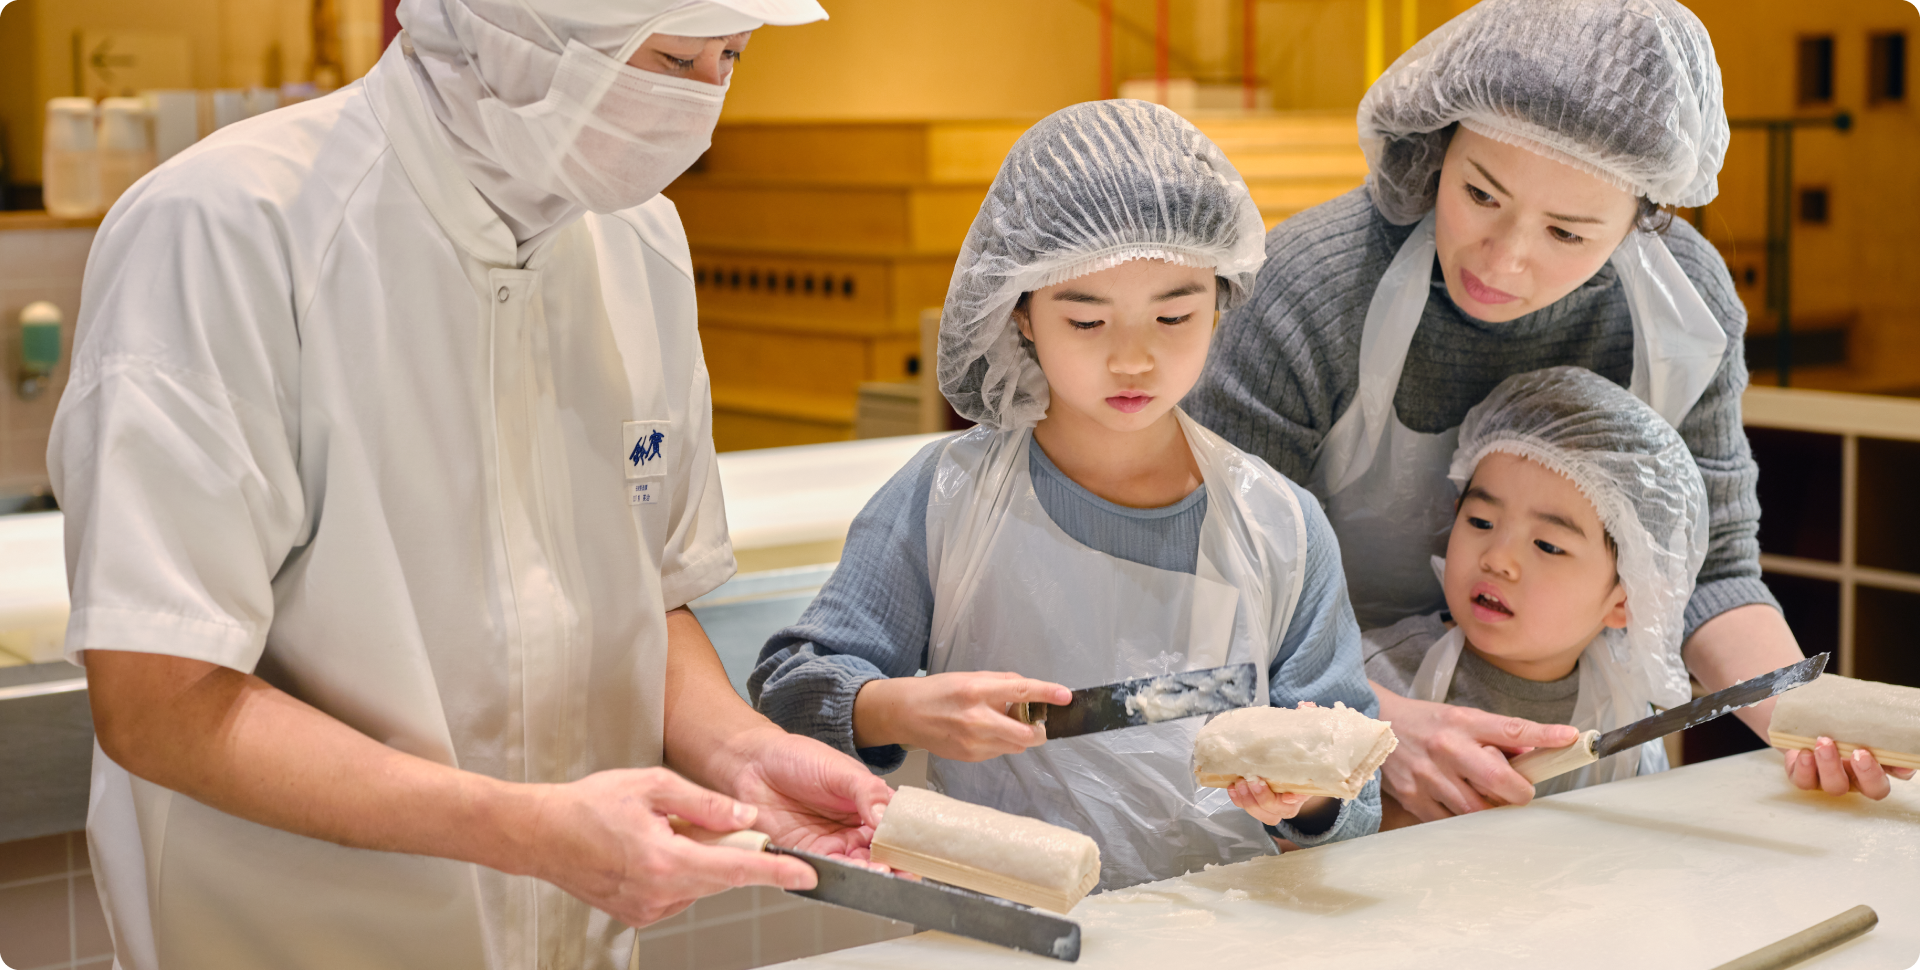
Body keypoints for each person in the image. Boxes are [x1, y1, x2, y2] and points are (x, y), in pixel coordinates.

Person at [48, 2, 895, 968]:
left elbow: (645, 598)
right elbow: (157, 696)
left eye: (730, 57)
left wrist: (741, 754)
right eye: (668, 56)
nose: (701, 102)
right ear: (517, 31)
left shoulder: (642, 241)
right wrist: (526, 829)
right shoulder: (227, 229)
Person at [1183, 0, 1906, 820]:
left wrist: (1807, 719)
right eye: (1481, 194)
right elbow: (1212, 588)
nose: (1506, 259)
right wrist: (1372, 726)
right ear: (1436, 148)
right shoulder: (1315, 287)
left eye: (1568, 232)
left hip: (1578, 750)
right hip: (1310, 752)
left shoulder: (1682, 311)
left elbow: (1708, 568)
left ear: (1643, 219)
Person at [751, 101, 1380, 893]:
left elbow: (1359, 790)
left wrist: (1311, 795)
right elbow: (787, 699)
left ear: (1222, 301)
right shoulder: (944, 501)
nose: (1134, 359)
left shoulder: (1279, 525)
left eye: (1175, 315)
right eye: (1086, 321)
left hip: (1229, 937)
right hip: (1007, 933)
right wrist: (897, 709)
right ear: (1020, 314)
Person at [1365, 367, 1708, 813]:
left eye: (1548, 545)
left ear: (1626, 597)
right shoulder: (1377, 677)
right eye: (1481, 523)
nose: (1498, 559)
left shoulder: (1621, 711)